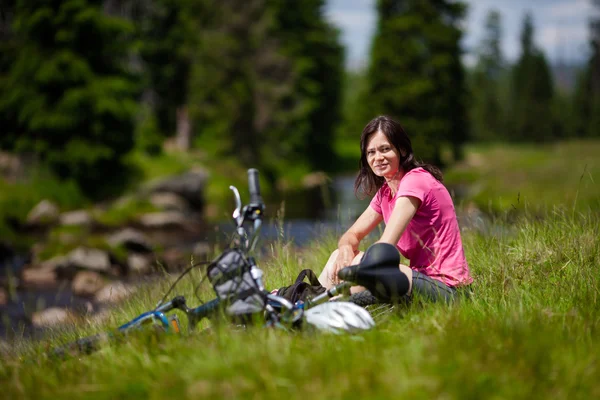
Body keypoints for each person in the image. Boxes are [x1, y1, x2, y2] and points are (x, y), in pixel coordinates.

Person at [318, 115, 472, 303]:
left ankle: (324, 307)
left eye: (385, 149)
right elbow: (352, 234)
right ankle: (304, 303)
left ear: (402, 149)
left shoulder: (415, 181)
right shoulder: (386, 192)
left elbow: (384, 247)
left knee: (365, 267)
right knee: (338, 256)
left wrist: (354, 265)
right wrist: (345, 249)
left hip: (449, 291)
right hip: (418, 280)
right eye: (371, 152)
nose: (378, 158)